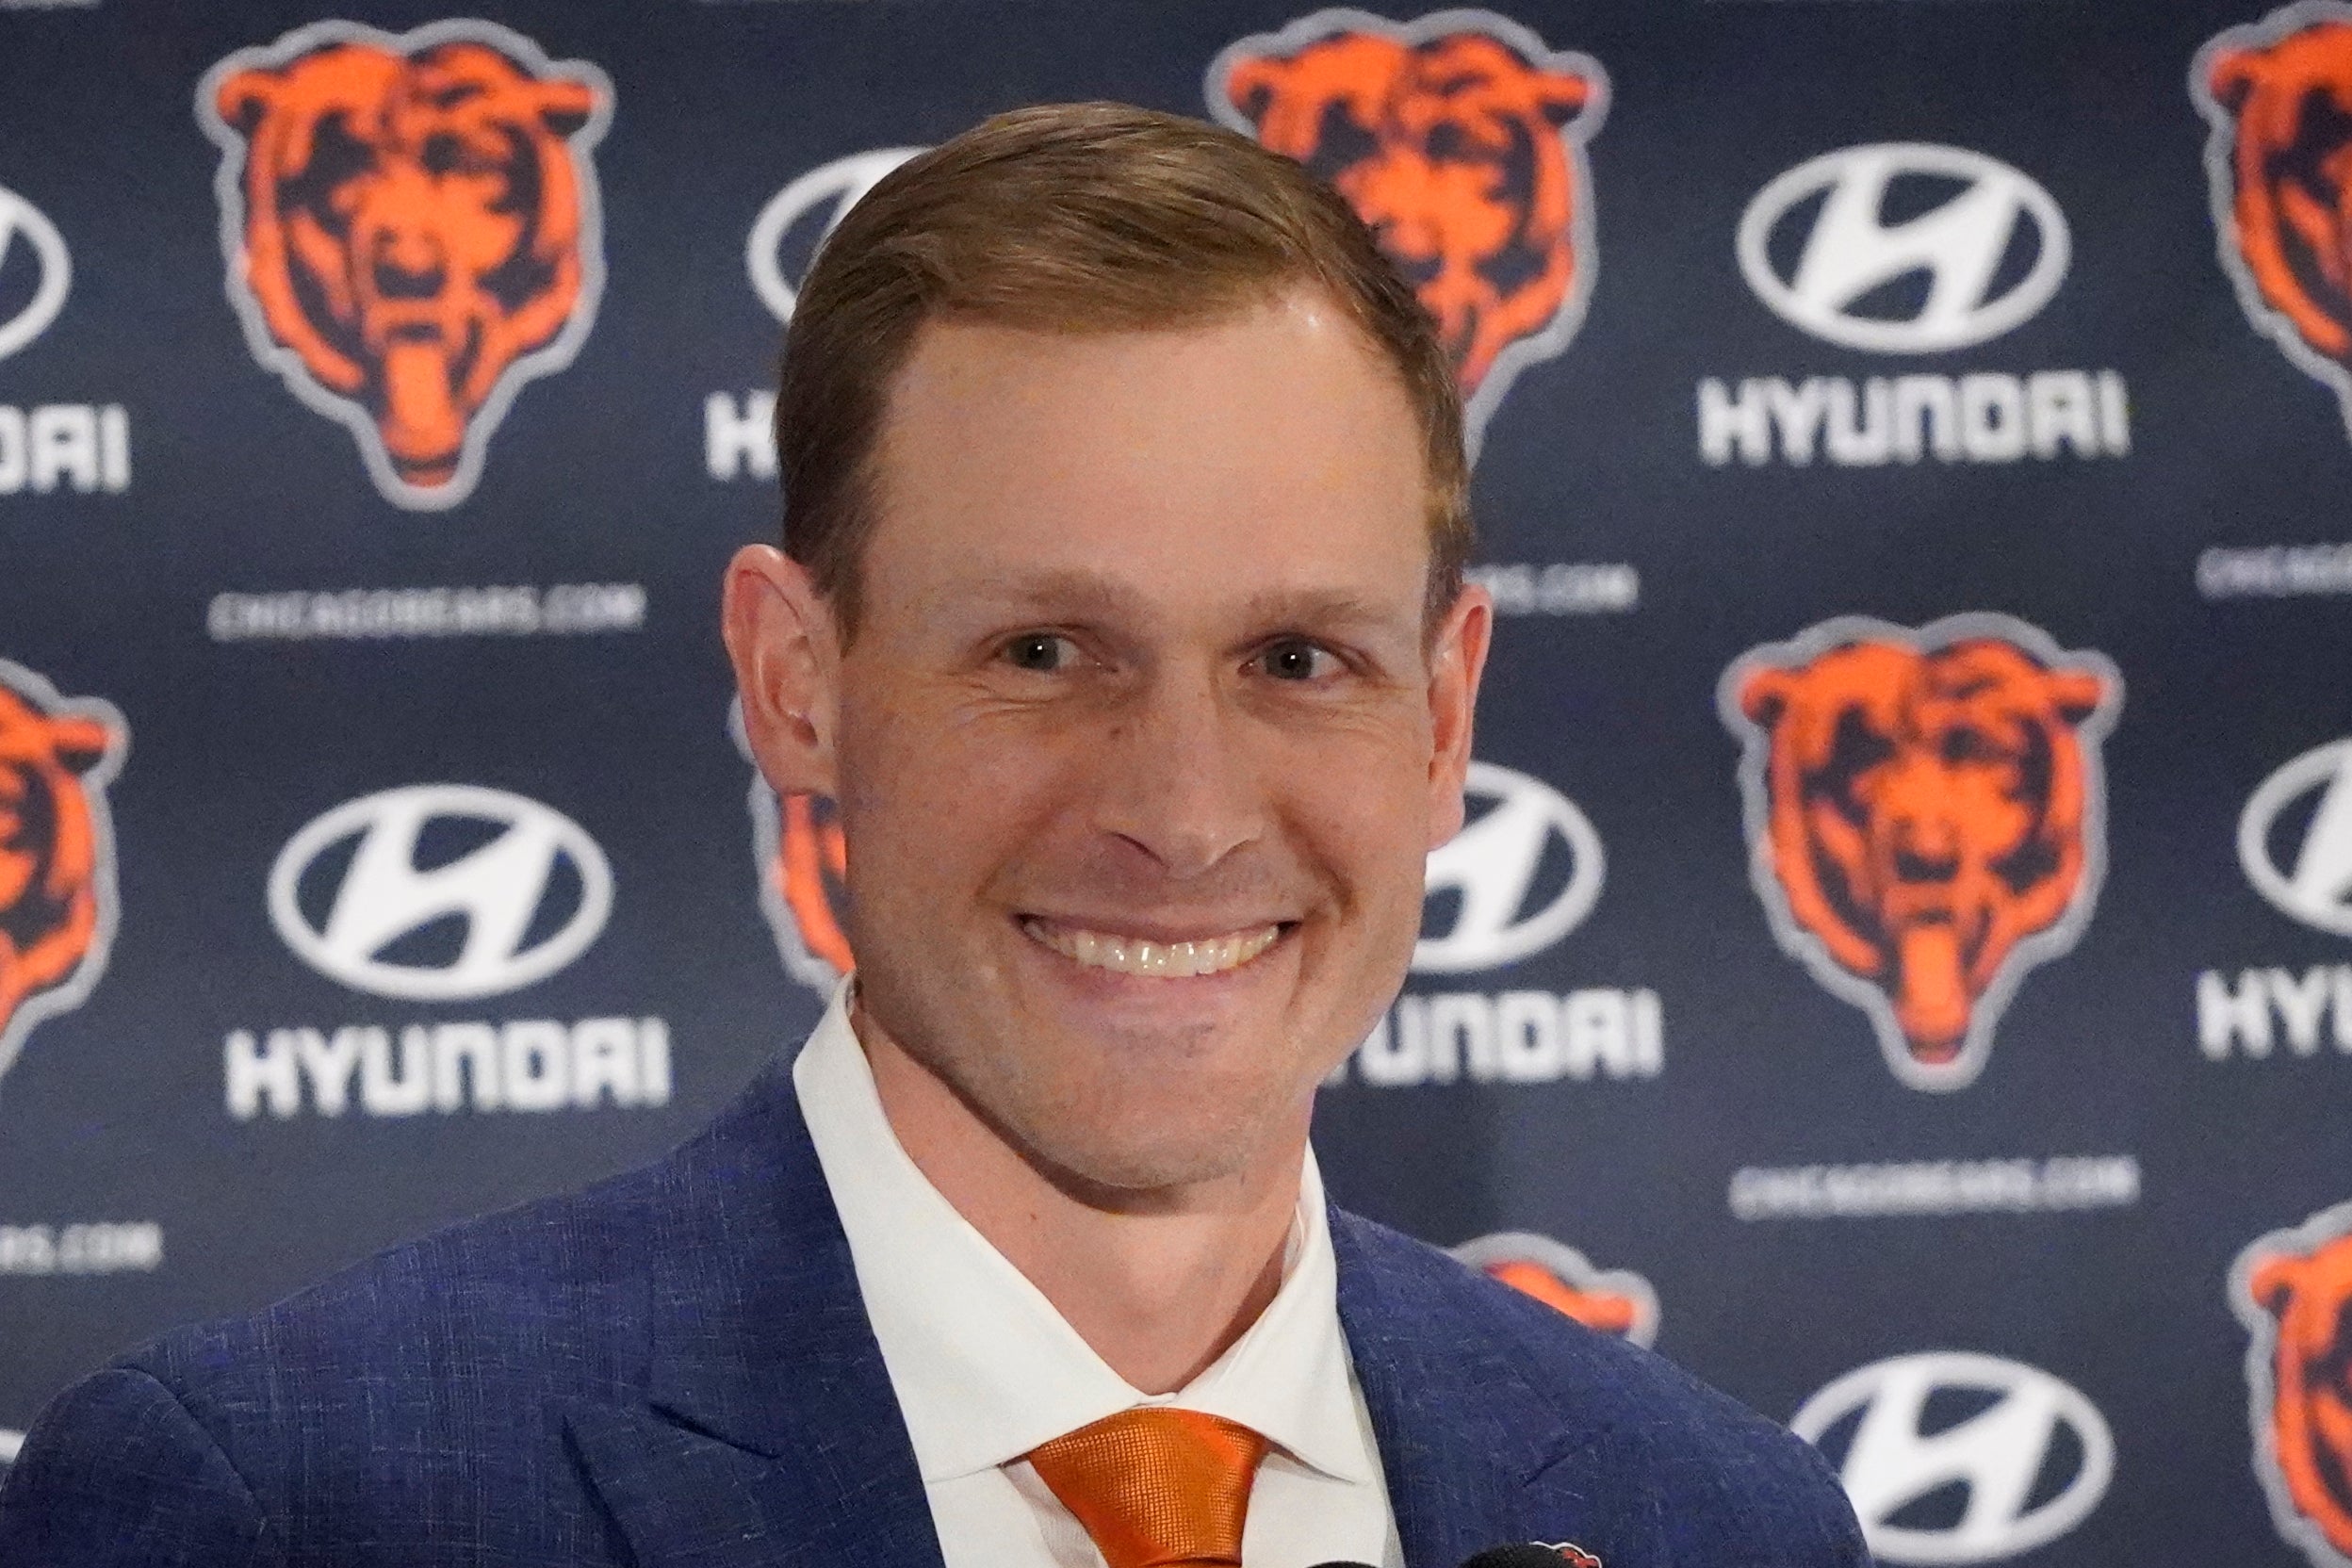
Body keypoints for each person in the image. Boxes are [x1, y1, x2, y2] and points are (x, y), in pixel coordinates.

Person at [0, 104, 1867, 1567]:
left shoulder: (1717, 1521)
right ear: (795, 680)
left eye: (1298, 659)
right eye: (1043, 651)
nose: (1182, 813)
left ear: (1445, 718)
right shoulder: (298, 1505)